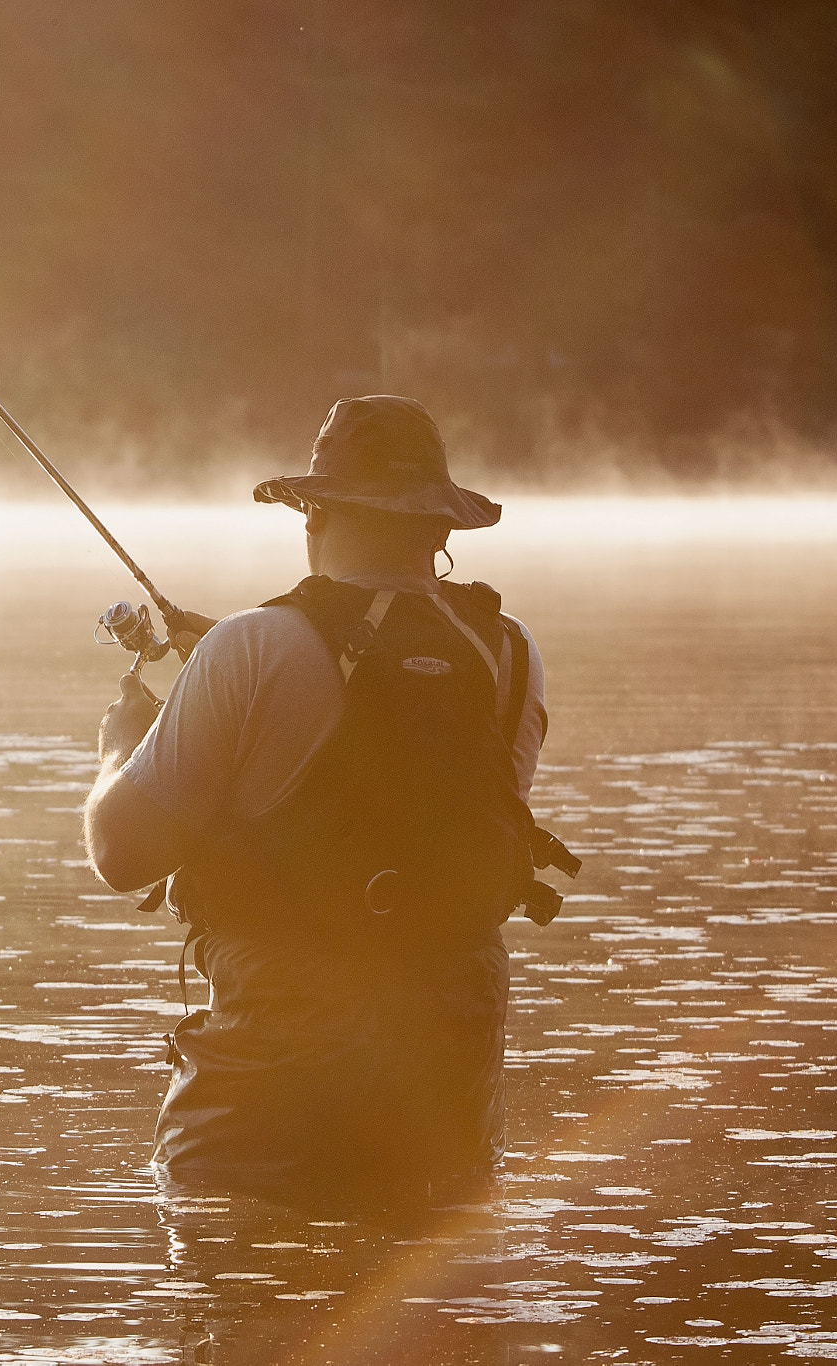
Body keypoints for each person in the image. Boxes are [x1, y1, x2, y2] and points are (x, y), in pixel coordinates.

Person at [84, 394, 551, 1207]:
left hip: (265, 1113)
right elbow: (413, 787)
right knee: (436, 1317)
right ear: (439, 531)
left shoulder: (250, 647)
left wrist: (121, 745)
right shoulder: (509, 652)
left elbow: (123, 856)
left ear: (314, 512)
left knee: (238, 1310)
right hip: (443, 1102)